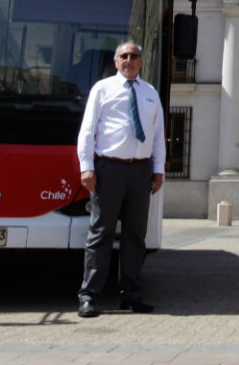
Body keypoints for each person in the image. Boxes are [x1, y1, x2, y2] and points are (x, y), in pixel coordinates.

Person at [76, 41, 166, 318]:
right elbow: (87, 130)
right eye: (124, 56)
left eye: (134, 56)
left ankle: (131, 294)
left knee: (135, 236)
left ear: (141, 61)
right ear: (116, 62)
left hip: (140, 171)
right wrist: (86, 166)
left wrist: (158, 168)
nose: (129, 60)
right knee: (100, 233)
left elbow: (158, 134)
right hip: (108, 169)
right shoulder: (102, 89)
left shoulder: (151, 93)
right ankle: (89, 295)